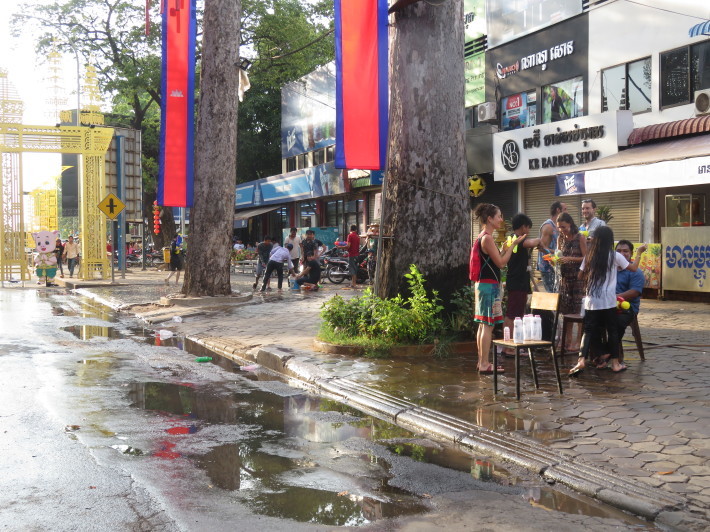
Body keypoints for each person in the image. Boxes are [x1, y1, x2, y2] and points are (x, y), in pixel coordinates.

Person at [569, 227, 645, 376]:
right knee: (612, 330)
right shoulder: (614, 256)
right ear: (610, 240)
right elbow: (634, 268)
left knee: (588, 330)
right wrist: (639, 253)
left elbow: (580, 276)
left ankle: (581, 360)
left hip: (591, 300)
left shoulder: (590, 256)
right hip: (608, 301)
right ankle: (615, 363)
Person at [471, 204, 525, 374]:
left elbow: (495, 258)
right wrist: (514, 245)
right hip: (488, 286)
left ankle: (482, 362)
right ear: (489, 219)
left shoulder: (483, 237)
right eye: (499, 216)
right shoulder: (487, 238)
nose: (501, 220)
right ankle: (485, 363)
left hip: (483, 285)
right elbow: (501, 263)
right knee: (487, 326)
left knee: (483, 325)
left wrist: (504, 249)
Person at [590, 240, 648, 368]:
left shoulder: (635, 271)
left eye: (625, 251)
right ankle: (601, 353)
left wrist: (614, 297)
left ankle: (606, 353)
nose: (622, 254)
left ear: (631, 254)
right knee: (589, 321)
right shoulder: (609, 269)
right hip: (607, 305)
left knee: (616, 322)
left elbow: (634, 292)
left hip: (627, 308)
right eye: (619, 251)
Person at [501, 213, 544, 355]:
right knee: (514, 315)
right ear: (523, 226)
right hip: (518, 282)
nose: (529, 231)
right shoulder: (518, 240)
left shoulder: (510, 239)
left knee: (512, 313)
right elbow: (532, 242)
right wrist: (540, 240)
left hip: (516, 281)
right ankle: (510, 347)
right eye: (528, 228)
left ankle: (508, 345)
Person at [557, 212, 587, 351]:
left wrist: (570, 259)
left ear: (570, 224)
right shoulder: (560, 238)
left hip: (578, 279)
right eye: (559, 227)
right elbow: (558, 255)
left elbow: (586, 258)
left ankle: (577, 342)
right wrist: (554, 259)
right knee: (566, 311)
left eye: (563, 227)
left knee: (578, 311)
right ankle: (567, 341)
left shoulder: (580, 238)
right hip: (565, 279)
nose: (561, 230)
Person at [537, 201, 567, 293]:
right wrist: (558, 253)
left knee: (559, 295)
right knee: (553, 295)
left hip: (556, 267)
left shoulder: (557, 226)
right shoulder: (548, 226)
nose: (567, 212)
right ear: (558, 210)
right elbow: (541, 247)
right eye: (565, 209)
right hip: (548, 268)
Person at [345, 224, 361, 289]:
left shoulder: (350, 236)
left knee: (352, 270)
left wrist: (340, 247)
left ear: (350, 229)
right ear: (356, 229)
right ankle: (353, 283)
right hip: (357, 254)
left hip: (351, 254)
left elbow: (348, 246)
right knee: (355, 269)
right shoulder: (357, 236)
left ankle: (353, 284)